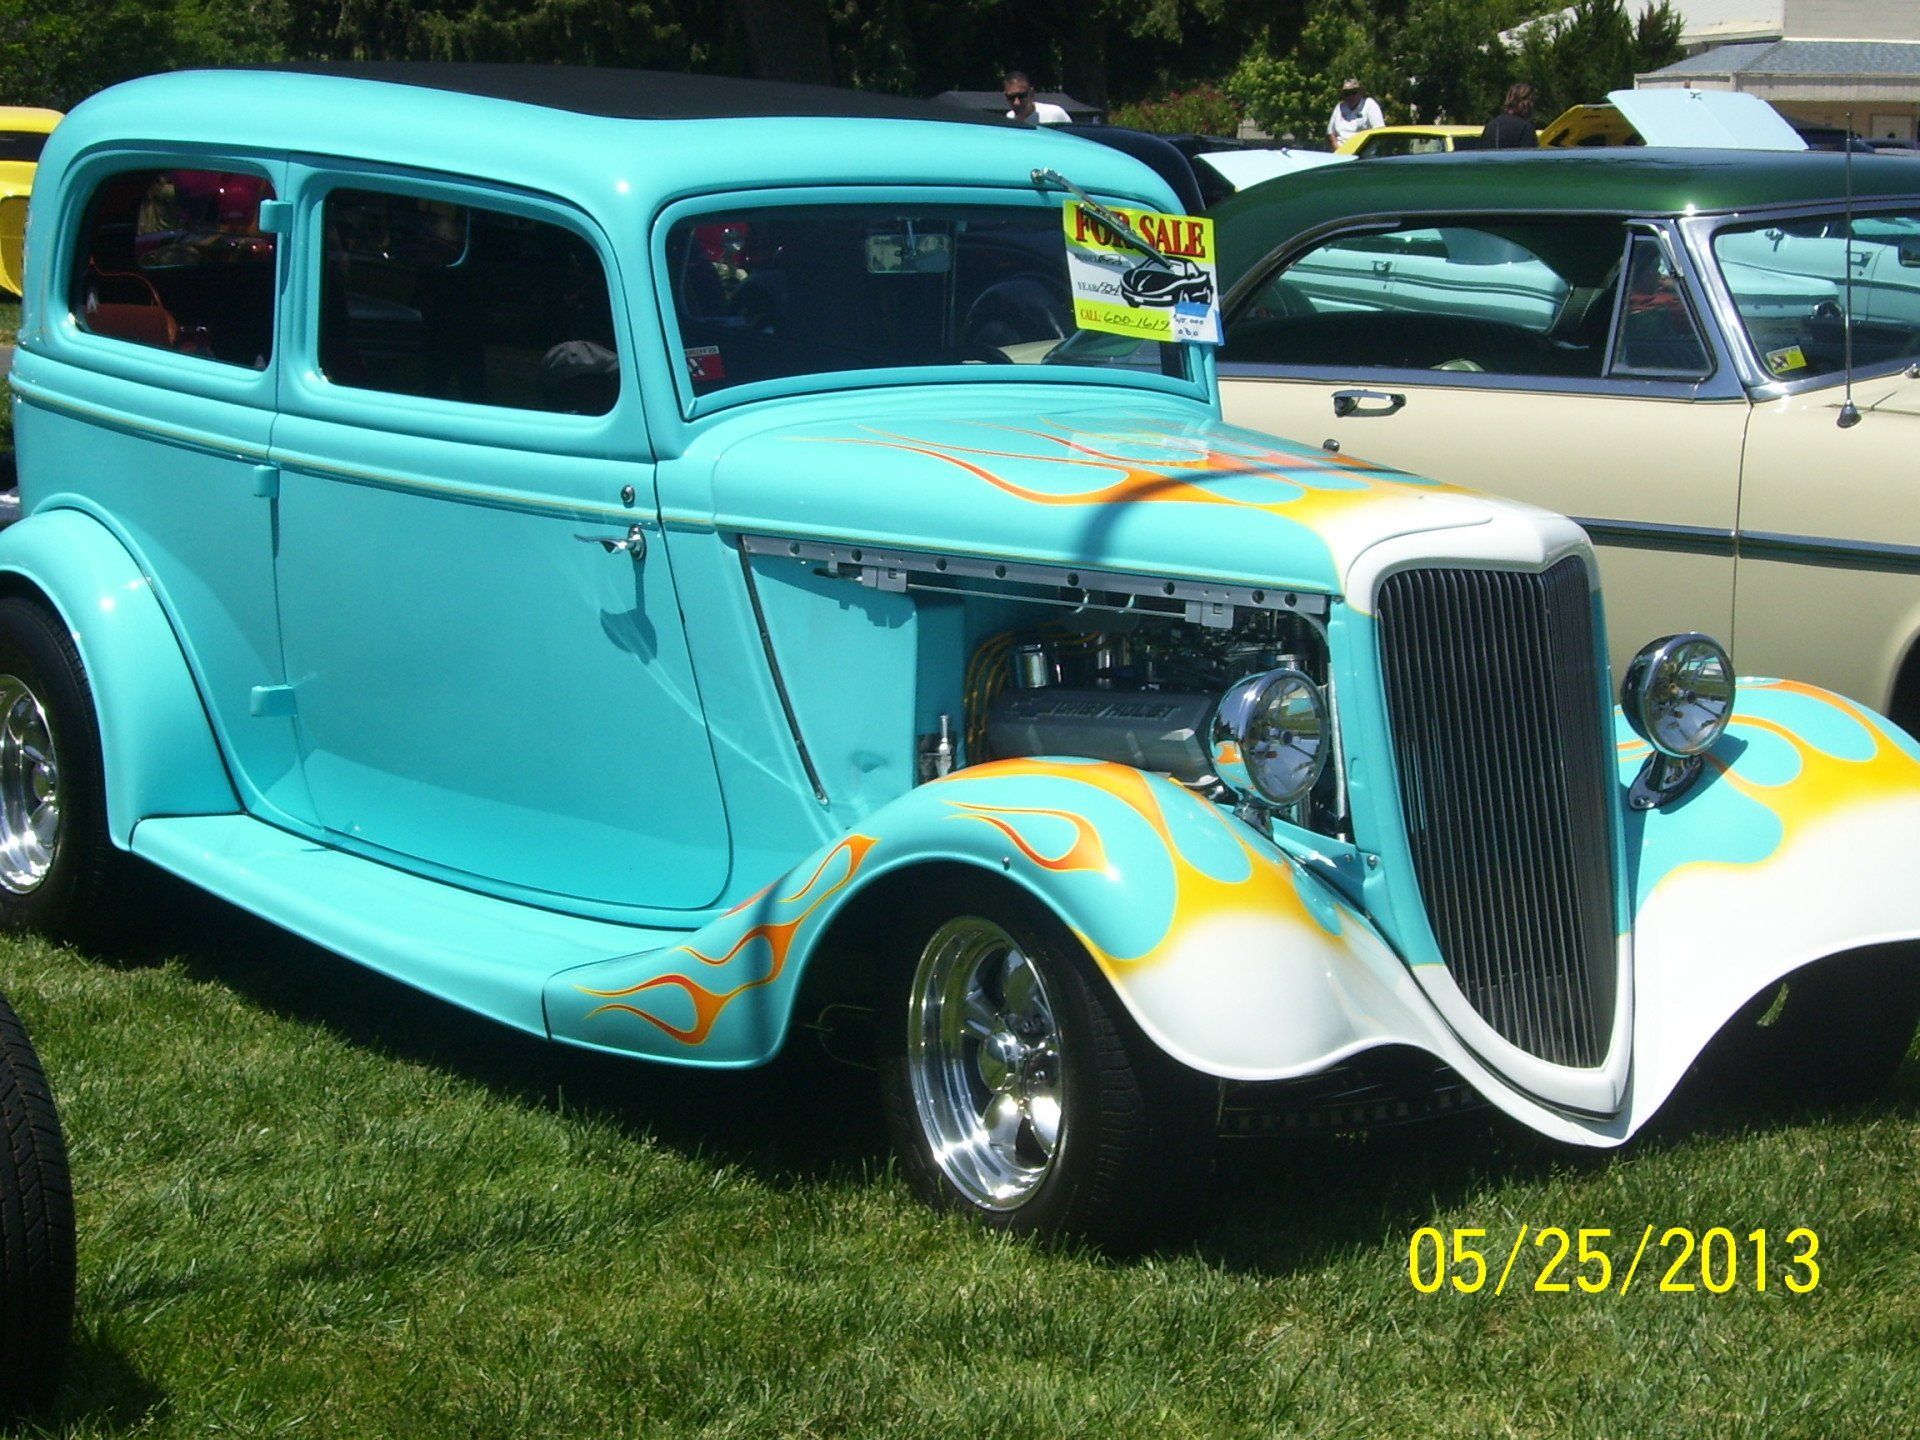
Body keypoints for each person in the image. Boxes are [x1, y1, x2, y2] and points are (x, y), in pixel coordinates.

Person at [1326, 78, 1383, 150]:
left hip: (1364, 154)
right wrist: (1339, 151)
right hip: (1341, 153)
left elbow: (1379, 130)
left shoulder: (1369, 104)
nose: (1350, 97)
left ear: (1360, 93)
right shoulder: (1339, 107)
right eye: (1346, 94)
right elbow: (1330, 133)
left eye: (1353, 92)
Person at [1482, 82, 1539, 149]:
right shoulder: (1525, 128)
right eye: (1531, 100)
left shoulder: (1490, 126)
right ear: (1524, 103)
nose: (1532, 105)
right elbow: (1530, 157)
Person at [1004, 72, 1071, 126]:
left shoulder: (1055, 114)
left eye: (1021, 96)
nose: (1016, 102)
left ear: (1031, 93)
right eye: (1011, 97)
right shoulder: (1009, 120)